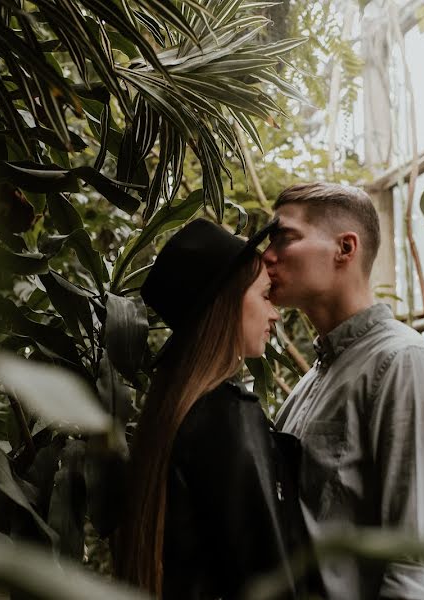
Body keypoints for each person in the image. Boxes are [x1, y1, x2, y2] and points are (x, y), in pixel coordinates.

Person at [263, 182, 424, 600]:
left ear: (345, 248)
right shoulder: (312, 383)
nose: (268, 254)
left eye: (285, 237)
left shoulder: (409, 367)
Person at [113, 218, 317, 600]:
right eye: (264, 295)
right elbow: (268, 577)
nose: (275, 313)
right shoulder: (228, 415)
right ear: (226, 303)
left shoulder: (173, 409)